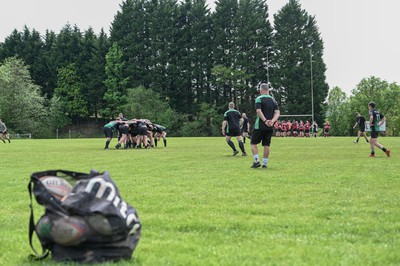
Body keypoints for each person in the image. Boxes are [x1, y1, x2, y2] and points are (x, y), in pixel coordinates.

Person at [250, 83, 280, 168]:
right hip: (270, 126)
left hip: (259, 125)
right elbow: (277, 112)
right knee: (266, 145)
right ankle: (264, 163)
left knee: (253, 143)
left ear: (261, 90)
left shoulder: (259, 99)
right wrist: (272, 121)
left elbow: (259, 111)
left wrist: (265, 120)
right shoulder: (274, 100)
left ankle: (256, 161)